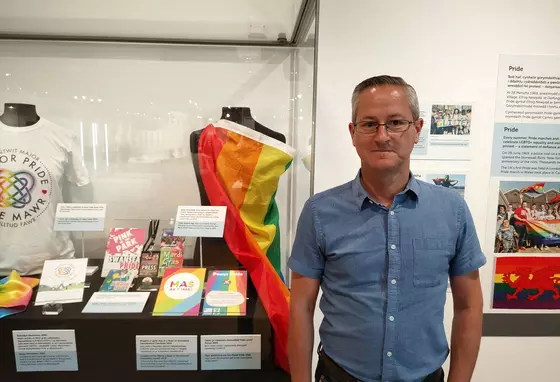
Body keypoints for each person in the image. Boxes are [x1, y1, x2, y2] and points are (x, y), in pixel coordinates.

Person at [288, 75, 486, 382]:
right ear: (353, 133)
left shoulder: (452, 210)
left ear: (417, 129)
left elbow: (469, 306)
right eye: (369, 124)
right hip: (342, 375)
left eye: (395, 122)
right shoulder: (319, 212)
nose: (382, 136)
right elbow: (300, 307)